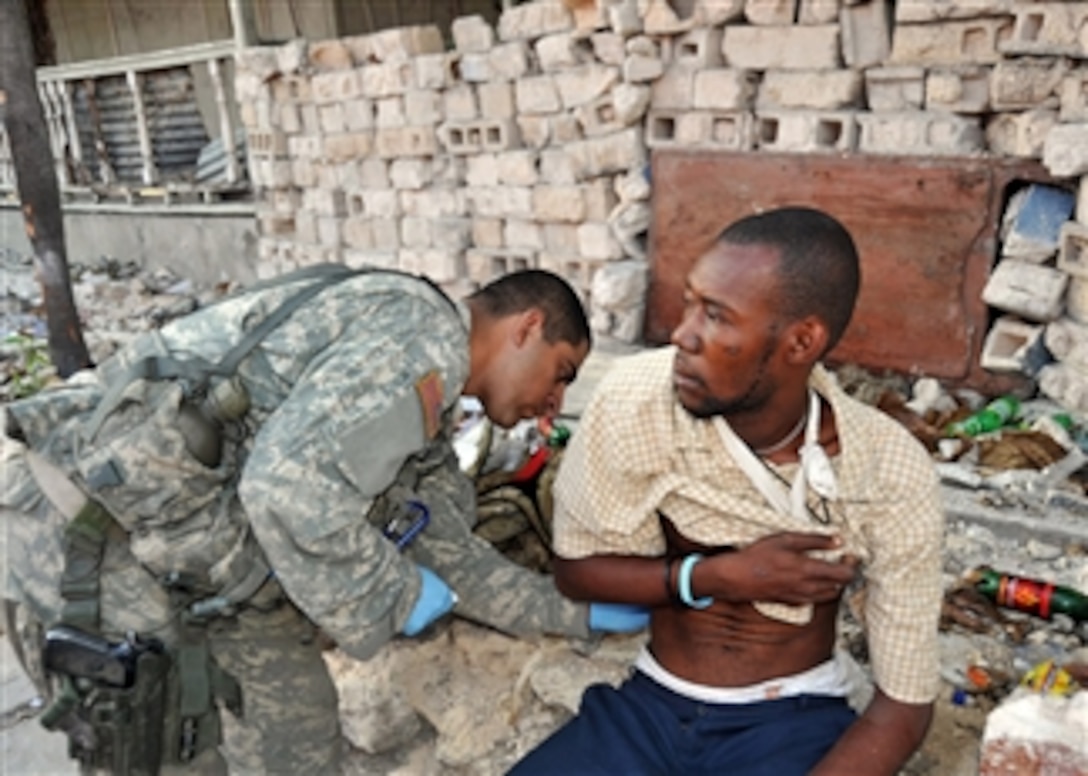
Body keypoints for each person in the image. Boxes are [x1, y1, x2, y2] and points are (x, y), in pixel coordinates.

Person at [0, 265, 645, 775]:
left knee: (296, 731)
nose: (554, 406)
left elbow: (449, 552)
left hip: (178, 546)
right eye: (561, 375)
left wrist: (573, 611)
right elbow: (285, 487)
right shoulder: (421, 338)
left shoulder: (427, 411)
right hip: (83, 533)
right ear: (526, 327)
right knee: (168, 752)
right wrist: (391, 593)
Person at [510, 207, 945, 775]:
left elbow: (906, 704)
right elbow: (577, 571)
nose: (682, 334)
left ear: (801, 341)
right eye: (690, 302)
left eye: (716, 316)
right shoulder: (641, 403)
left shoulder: (886, 472)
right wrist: (718, 576)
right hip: (649, 707)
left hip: (791, 718)